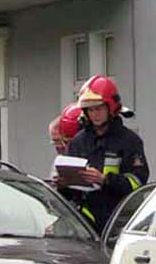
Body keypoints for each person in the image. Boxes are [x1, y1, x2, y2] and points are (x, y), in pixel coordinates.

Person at [58, 76, 149, 232]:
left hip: (117, 221)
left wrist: (104, 180)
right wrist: (62, 184)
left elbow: (138, 182)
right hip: (85, 222)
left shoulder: (129, 141)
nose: (95, 114)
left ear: (110, 107)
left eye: (99, 108)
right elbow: (70, 192)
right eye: (90, 110)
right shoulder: (78, 141)